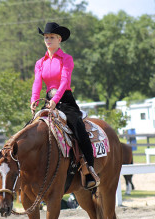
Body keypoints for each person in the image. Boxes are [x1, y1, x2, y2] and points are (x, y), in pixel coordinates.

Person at [30, 22, 100, 189]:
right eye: (46, 37)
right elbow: (37, 82)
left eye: (52, 37)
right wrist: (34, 99)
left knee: (77, 126)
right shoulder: (40, 62)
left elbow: (64, 81)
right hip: (48, 100)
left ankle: (89, 167)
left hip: (65, 99)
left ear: (59, 39)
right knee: (33, 128)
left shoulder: (66, 59)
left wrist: (56, 100)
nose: (48, 40)